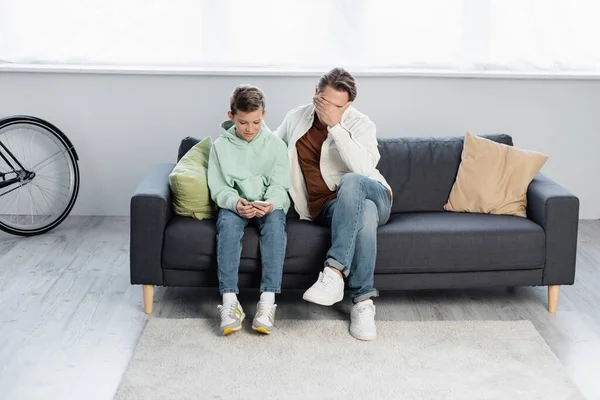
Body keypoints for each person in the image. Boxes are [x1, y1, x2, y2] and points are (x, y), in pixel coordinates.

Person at [275, 68, 392, 341]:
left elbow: (364, 168)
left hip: (376, 193)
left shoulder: (361, 124)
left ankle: (334, 272)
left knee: (352, 181)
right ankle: (363, 303)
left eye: (338, 106)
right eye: (325, 102)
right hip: (329, 209)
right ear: (315, 94)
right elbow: (272, 150)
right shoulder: (296, 118)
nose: (330, 109)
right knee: (364, 216)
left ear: (347, 105)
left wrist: (336, 127)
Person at [208, 84, 291, 336]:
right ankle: (230, 301)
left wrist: (269, 203)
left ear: (263, 115)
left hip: (268, 204)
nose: (249, 129)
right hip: (236, 205)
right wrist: (235, 203)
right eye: (243, 122)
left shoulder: (275, 145)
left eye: (255, 122)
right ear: (231, 115)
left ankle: (267, 301)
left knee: (276, 226)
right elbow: (219, 187)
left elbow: (280, 185)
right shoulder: (219, 147)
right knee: (227, 226)